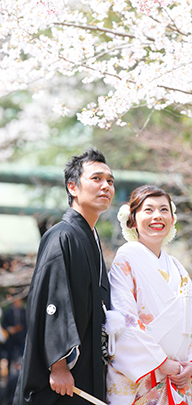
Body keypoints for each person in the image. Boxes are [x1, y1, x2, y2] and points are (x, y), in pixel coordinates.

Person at [14, 148, 114, 405]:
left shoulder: (90, 237)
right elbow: (53, 300)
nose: (106, 186)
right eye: (97, 179)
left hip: (87, 366)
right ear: (73, 187)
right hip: (63, 374)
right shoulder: (62, 236)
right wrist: (58, 364)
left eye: (110, 181)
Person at [105, 185, 192, 404]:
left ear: (172, 220)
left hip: (179, 377)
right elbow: (125, 319)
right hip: (142, 378)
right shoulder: (125, 259)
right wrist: (161, 362)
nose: (157, 216)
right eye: (148, 210)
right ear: (132, 220)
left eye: (164, 210)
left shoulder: (178, 268)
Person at [3, 290, 26, 405]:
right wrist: (10, 329)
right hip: (11, 344)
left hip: (23, 344)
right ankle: (9, 397)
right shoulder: (7, 312)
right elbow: (4, 326)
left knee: (20, 369)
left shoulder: (25, 312)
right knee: (11, 371)